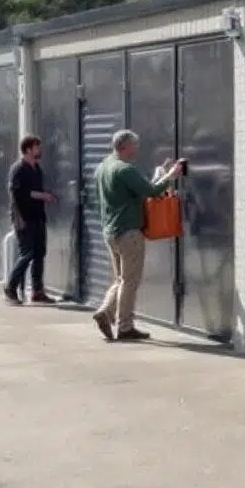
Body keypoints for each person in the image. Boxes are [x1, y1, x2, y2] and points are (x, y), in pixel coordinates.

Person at [91, 129, 185, 342]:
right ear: (125, 146)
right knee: (130, 280)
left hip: (110, 231)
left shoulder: (104, 166)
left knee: (120, 278)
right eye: (135, 145)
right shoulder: (125, 170)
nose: (137, 148)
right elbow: (151, 192)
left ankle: (105, 311)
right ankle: (124, 326)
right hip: (129, 232)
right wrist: (171, 175)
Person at [4, 135, 56, 306]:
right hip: (23, 218)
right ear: (28, 149)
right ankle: (10, 287)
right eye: (36, 147)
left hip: (38, 216)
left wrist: (46, 195)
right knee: (27, 253)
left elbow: (36, 190)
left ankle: (37, 291)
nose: (39, 150)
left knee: (40, 252)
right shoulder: (18, 169)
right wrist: (42, 195)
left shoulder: (37, 169)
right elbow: (18, 193)